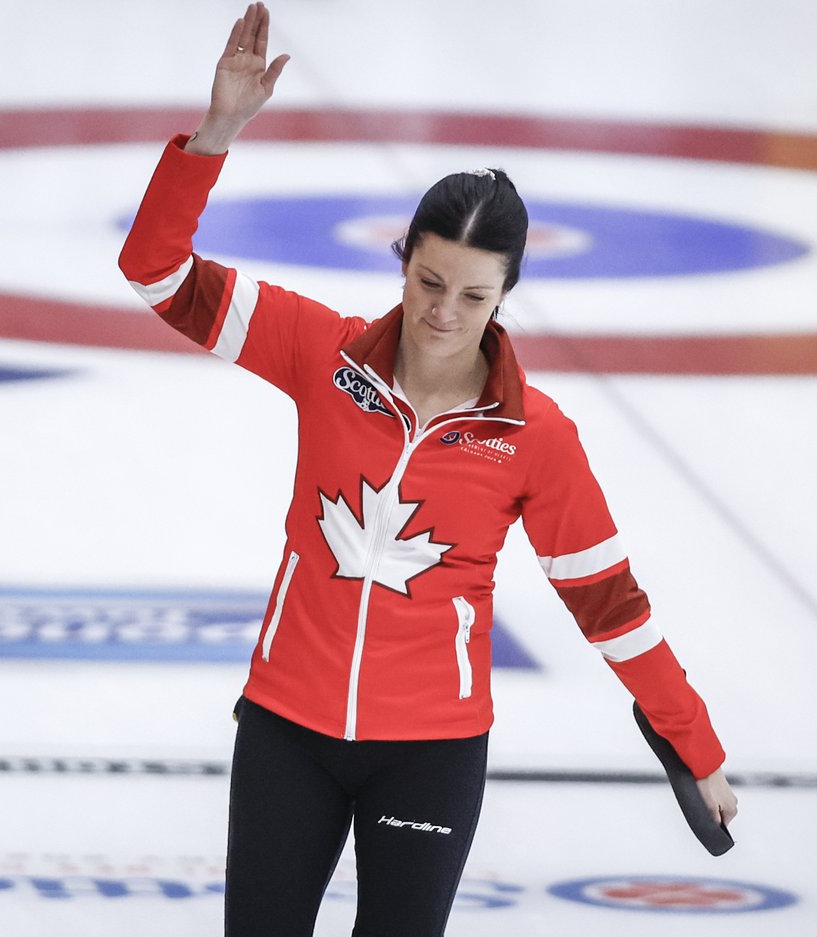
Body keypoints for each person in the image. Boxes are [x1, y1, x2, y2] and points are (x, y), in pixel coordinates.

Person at [118, 4, 738, 934]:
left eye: (474, 295)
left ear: (507, 294)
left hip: (432, 751)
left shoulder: (535, 436)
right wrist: (216, 135)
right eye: (430, 281)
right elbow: (155, 271)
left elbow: (609, 603)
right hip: (287, 729)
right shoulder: (321, 354)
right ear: (402, 259)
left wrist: (694, 742)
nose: (444, 312)